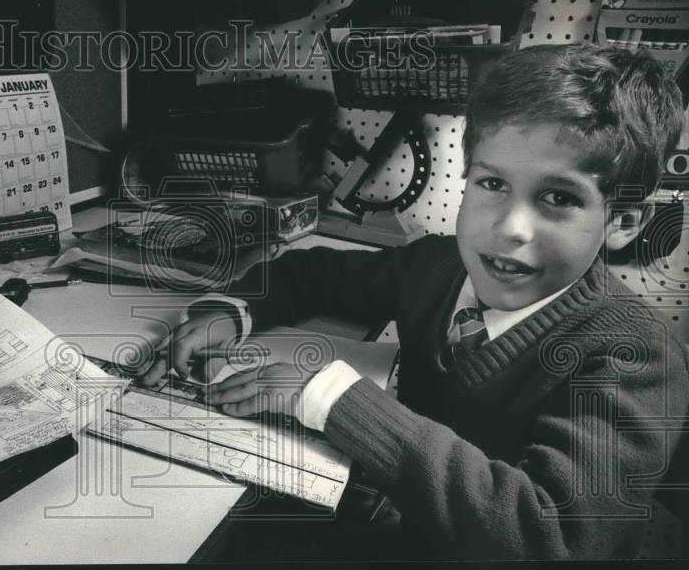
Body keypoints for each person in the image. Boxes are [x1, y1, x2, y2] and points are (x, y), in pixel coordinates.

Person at [140, 44, 689, 560]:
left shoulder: (636, 354)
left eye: (559, 198)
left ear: (623, 221)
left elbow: (550, 538)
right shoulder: (438, 265)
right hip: (409, 530)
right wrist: (230, 311)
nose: (510, 228)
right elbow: (315, 273)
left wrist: (329, 397)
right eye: (492, 184)